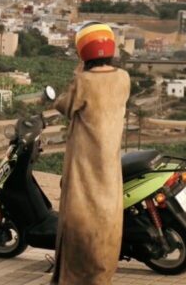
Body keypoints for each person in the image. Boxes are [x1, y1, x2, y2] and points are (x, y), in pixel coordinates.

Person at [51, 22, 130, 285]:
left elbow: (64, 105)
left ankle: (74, 278)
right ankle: (102, 275)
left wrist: (77, 72)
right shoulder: (123, 78)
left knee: (78, 220)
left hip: (84, 166)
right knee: (107, 220)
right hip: (109, 166)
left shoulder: (83, 81)